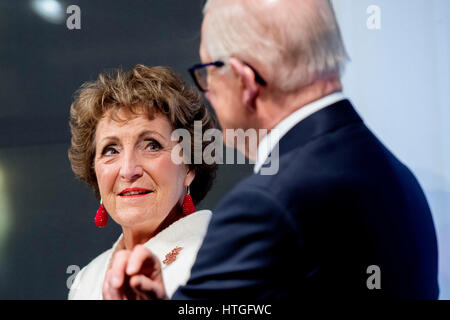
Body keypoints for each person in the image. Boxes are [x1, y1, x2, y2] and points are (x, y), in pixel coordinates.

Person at [104, 0, 439, 300]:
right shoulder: (396, 176)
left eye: (207, 73)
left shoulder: (266, 205)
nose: (208, 93)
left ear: (244, 81)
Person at [67, 64, 217, 299]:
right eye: (110, 150)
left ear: (189, 165)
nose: (128, 170)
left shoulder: (221, 256)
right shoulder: (87, 278)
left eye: (152, 145)